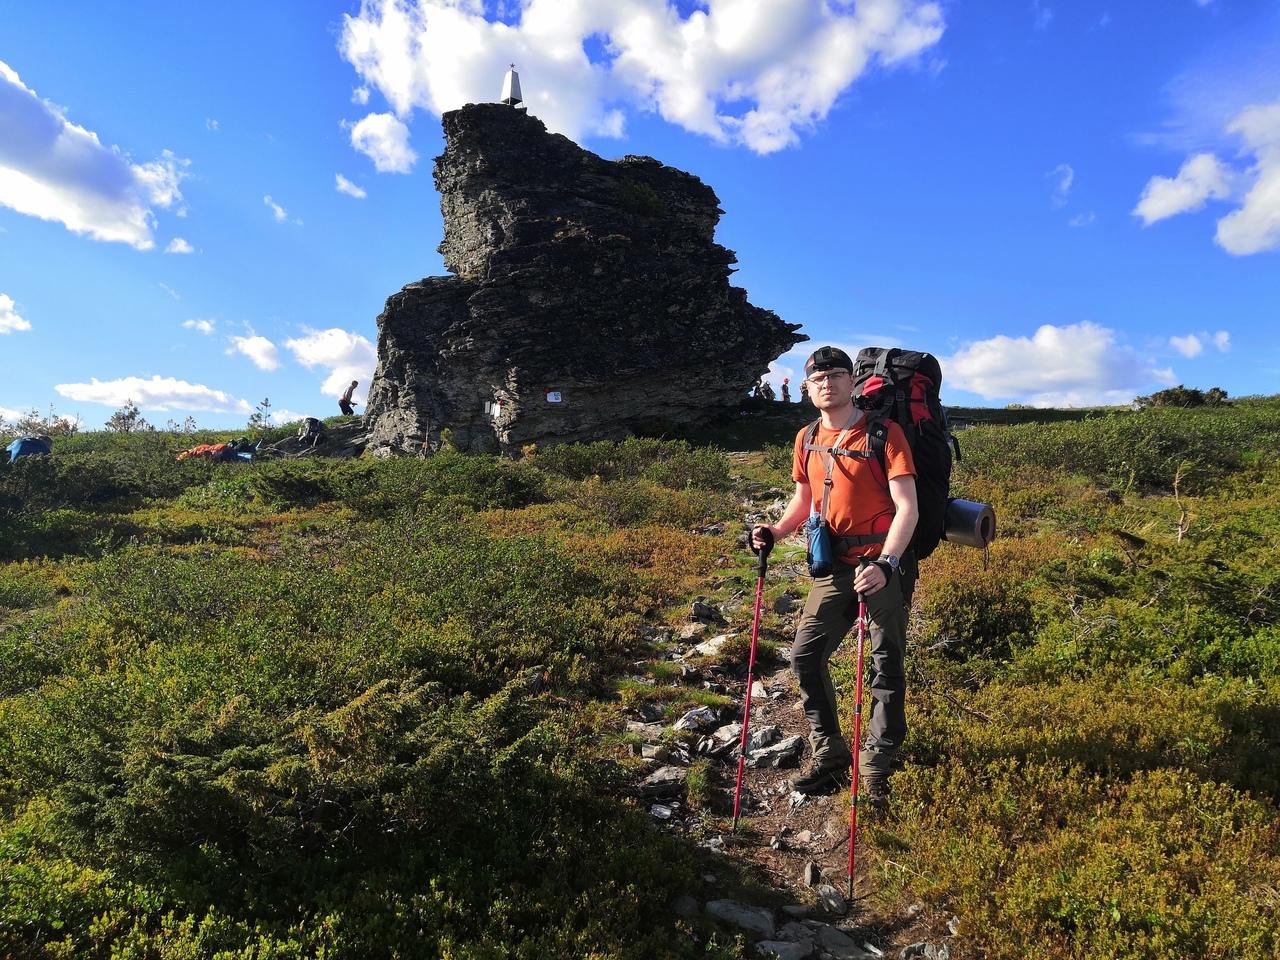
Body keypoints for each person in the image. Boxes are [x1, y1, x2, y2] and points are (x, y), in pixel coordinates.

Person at [751, 346, 919, 805]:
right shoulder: (806, 437)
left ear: (853, 383)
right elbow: (803, 502)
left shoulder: (885, 434)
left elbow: (909, 507)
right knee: (805, 658)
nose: (828, 382)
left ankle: (876, 768)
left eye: (837, 375)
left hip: (882, 567)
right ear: (807, 389)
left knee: (886, 667)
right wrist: (775, 529)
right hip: (833, 568)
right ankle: (832, 754)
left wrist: (886, 564)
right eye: (819, 378)